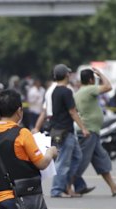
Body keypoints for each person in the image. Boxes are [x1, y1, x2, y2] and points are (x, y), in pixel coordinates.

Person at [73, 68, 116, 197]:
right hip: (89, 131)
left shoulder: (79, 92)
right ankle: (65, 186)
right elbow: (108, 87)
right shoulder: (89, 89)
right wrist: (101, 74)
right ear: (91, 80)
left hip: (92, 131)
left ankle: (113, 187)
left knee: (101, 159)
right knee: (81, 162)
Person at [49, 64, 89, 198]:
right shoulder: (66, 92)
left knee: (77, 157)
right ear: (66, 75)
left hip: (59, 130)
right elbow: (72, 111)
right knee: (63, 162)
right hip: (65, 131)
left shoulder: (55, 91)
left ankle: (67, 187)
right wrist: (83, 127)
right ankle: (56, 189)